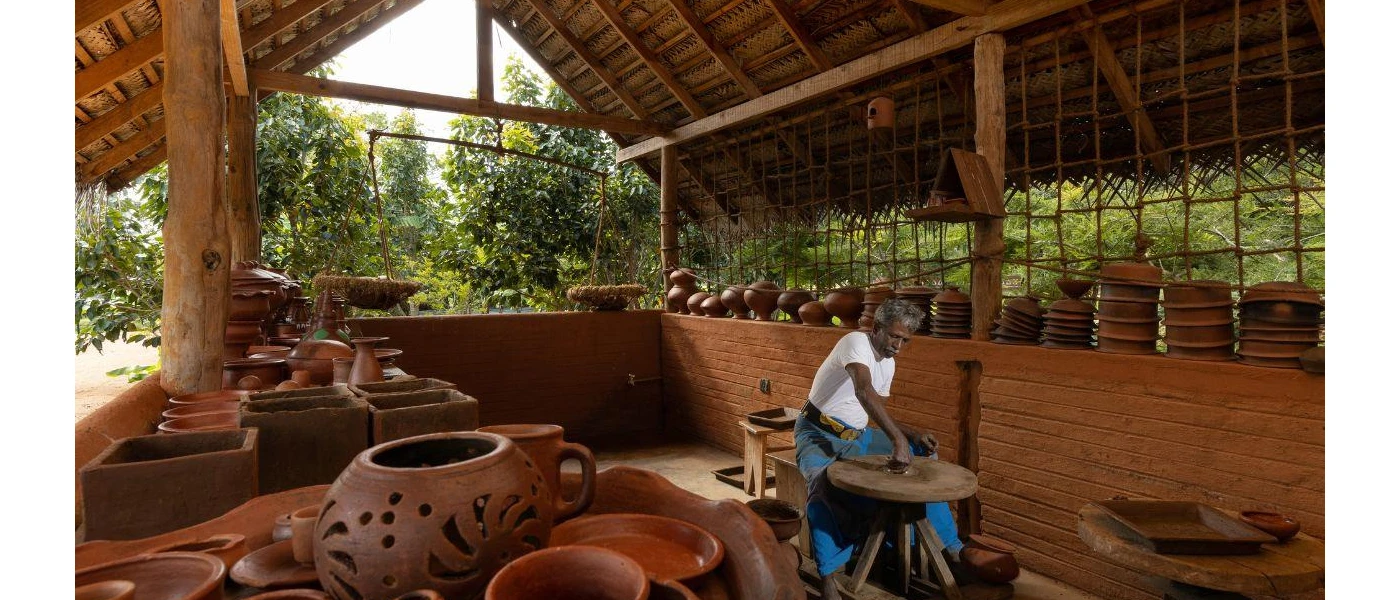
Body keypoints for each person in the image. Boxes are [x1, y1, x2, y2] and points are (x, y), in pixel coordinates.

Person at [795, 297, 964, 599]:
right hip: (817, 431)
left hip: (858, 435)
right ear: (877, 328)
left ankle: (945, 549)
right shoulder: (855, 341)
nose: (898, 346)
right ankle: (829, 574)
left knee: (924, 455)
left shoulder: (890, 363)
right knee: (823, 484)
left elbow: (875, 411)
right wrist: (898, 439)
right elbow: (863, 390)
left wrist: (911, 434)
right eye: (894, 336)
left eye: (905, 340)